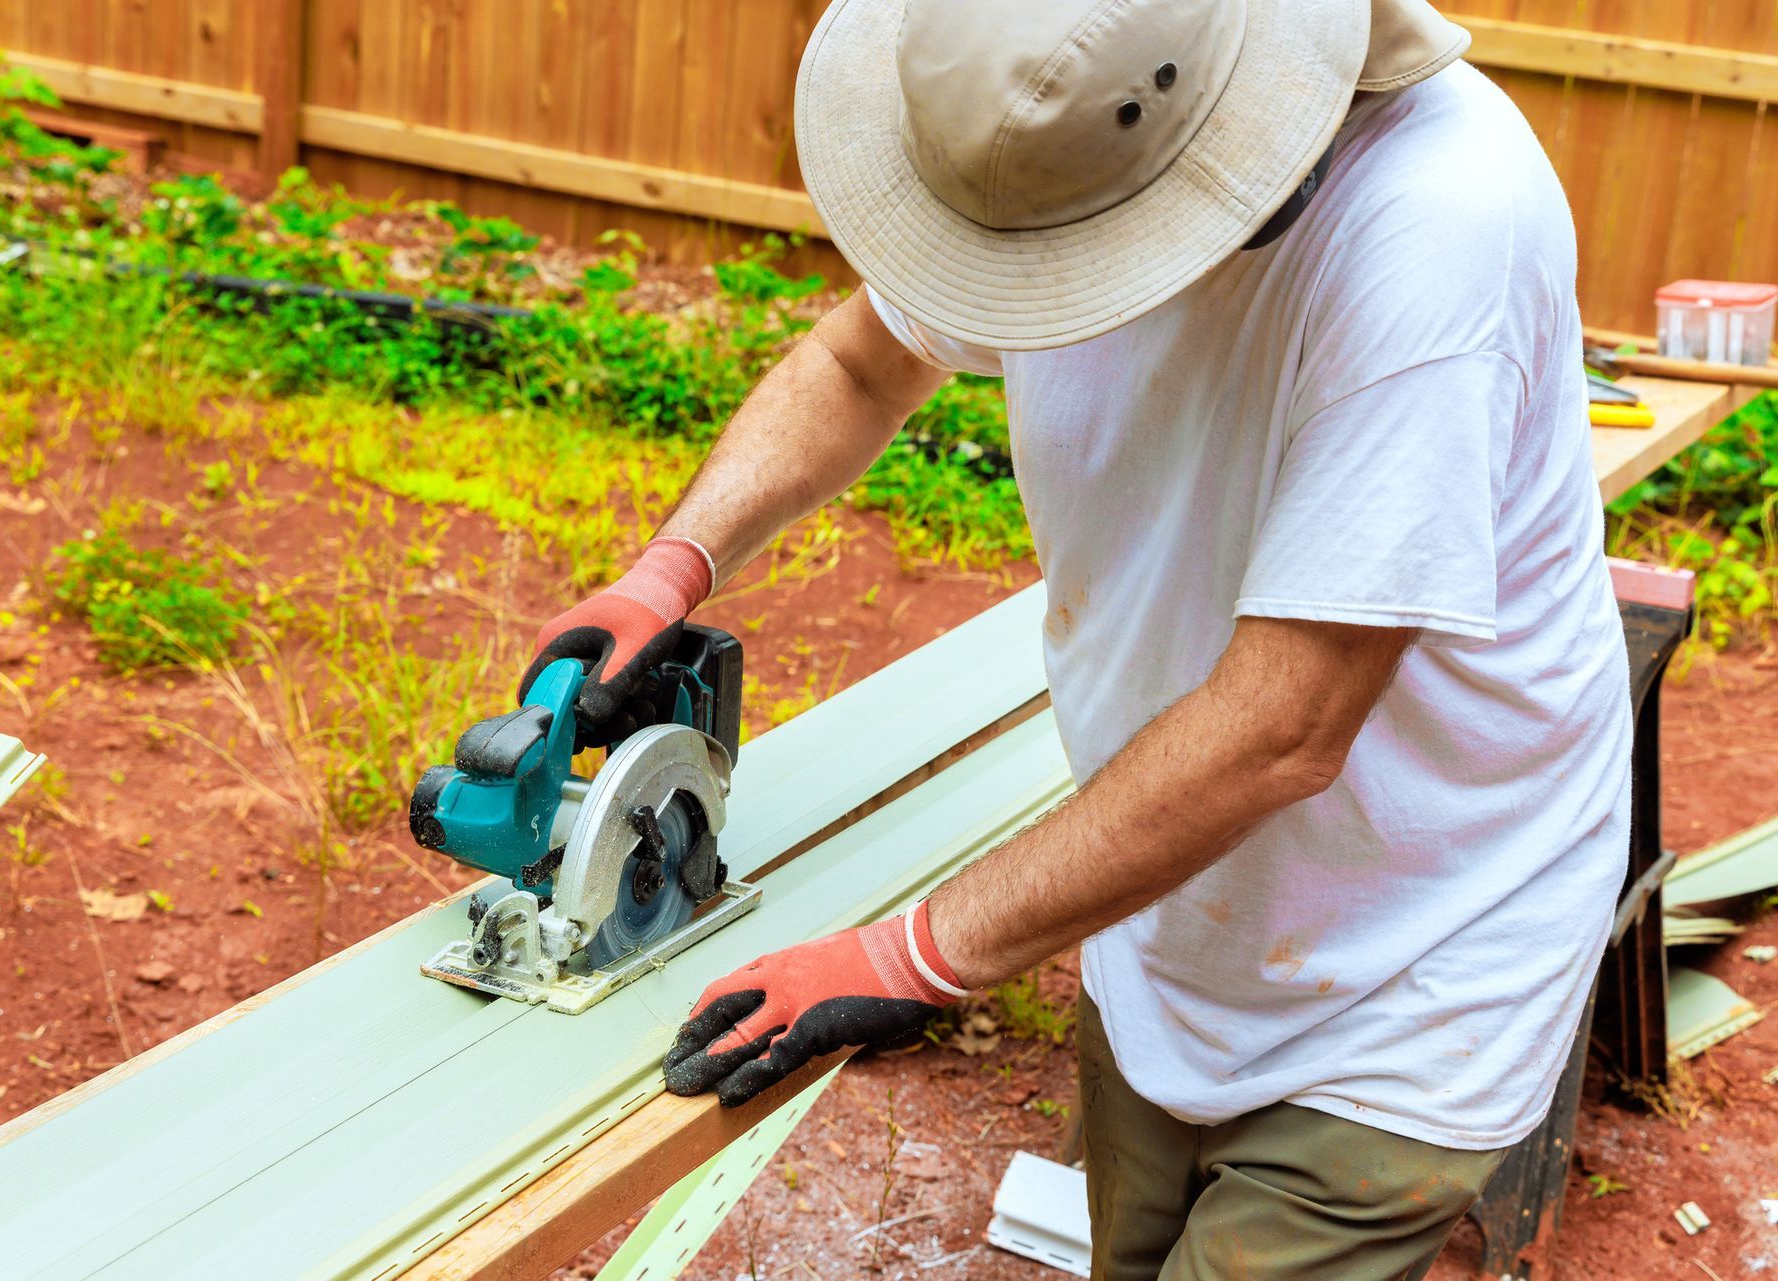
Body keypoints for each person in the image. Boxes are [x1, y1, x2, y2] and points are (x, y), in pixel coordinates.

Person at [518, 1, 1632, 1275]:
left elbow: (1283, 727)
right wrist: (668, 572)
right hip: (1177, 884)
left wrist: (910, 953)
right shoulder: (1069, 123)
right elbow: (861, 365)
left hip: (1417, 935)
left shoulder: (1441, 225)